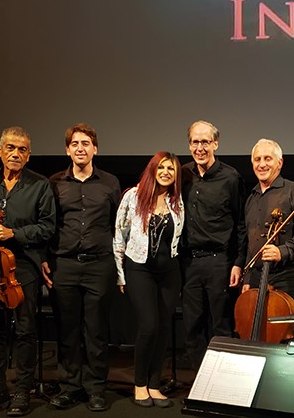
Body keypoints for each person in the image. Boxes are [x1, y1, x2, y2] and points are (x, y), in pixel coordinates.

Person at [0, 126, 56, 417]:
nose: (16, 154)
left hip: (23, 270)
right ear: (0, 150)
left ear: (29, 156)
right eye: (11, 148)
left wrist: (14, 232)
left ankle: (21, 390)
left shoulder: (40, 185)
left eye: (22, 150)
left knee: (26, 330)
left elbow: (48, 227)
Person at [42, 123, 121, 412]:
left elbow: (118, 225)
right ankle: (69, 387)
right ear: (67, 149)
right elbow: (48, 225)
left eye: (85, 143)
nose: (80, 148)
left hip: (99, 265)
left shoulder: (110, 183)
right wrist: (44, 259)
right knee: (68, 330)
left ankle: (96, 388)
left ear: (95, 149)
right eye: (75, 143)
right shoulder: (54, 183)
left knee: (96, 331)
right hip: (64, 265)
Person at [113, 151, 184, 408]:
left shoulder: (177, 201)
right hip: (139, 269)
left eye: (172, 169)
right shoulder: (133, 196)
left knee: (165, 328)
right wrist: (120, 274)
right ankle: (140, 384)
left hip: (169, 273)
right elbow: (119, 236)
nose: (166, 172)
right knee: (149, 326)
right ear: (153, 169)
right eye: (162, 167)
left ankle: (155, 384)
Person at [181, 120, 247, 370]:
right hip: (189, 263)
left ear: (215, 144)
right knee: (193, 325)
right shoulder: (183, 175)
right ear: (189, 145)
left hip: (220, 261)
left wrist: (238, 263)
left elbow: (240, 223)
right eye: (195, 142)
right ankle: (200, 381)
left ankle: (222, 383)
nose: (200, 147)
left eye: (205, 142)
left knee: (221, 325)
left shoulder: (230, 177)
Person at [241, 138, 294, 335]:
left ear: (280, 163)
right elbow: (251, 242)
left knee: (286, 336)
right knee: (257, 333)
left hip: (289, 275)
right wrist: (248, 277)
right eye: (257, 159)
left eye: (268, 158)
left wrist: (281, 251)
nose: (262, 164)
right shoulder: (251, 198)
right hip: (259, 276)